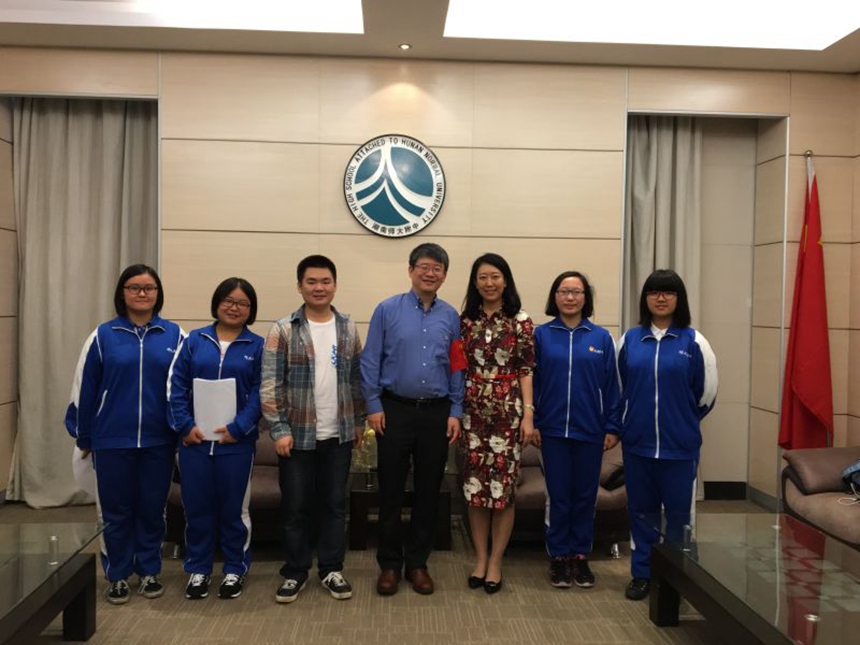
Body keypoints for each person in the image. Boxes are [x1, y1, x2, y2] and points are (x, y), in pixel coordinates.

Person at [65, 264, 184, 604]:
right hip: (111, 440)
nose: (142, 293)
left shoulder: (176, 336)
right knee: (115, 512)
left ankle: (149, 571)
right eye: (134, 287)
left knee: (152, 509)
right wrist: (84, 436)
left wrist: (180, 431)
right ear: (122, 293)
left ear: (158, 293)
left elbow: (183, 389)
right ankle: (117, 574)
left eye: (149, 288)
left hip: (159, 441)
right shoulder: (102, 336)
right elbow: (84, 389)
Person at [361, 242, 465, 596]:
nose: (430, 273)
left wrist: (455, 410)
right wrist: (373, 404)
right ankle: (390, 565)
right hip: (394, 411)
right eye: (424, 266)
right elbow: (370, 360)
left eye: (437, 268)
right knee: (390, 490)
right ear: (410, 270)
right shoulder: (386, 310)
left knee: (428, 491)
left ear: (444, 275)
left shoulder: (451, 316)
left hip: (436, 413)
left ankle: (418, 563)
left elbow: (457, 366)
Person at [260, 255, 365, 604]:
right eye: (311, 282)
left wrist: (358, 423)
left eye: (325, 281)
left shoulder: (347, 327)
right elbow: (270, 385)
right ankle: (295, 571)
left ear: (335, 285)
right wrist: (279, 430)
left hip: (339, 435)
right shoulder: (283, 329)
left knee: (334, 505)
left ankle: (331, 568)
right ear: (300, 286)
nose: (319, 288)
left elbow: (356, 380)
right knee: (296, 507)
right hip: (297, 436)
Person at [617, 269, 717, 601]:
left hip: (679, 448)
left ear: (679, 299)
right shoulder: (630, 341)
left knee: (680, 518)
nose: (661, 298)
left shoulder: (695, 342)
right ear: (645, 298)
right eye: (654, 292)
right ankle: (642, 574)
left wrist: (680, 421)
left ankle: (678, 578)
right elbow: (620, 389)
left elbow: (706, 395)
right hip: (638, 447)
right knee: (641, 514)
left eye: (669, 292)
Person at [167, 277, 263, 600]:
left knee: (235, 510)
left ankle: (235, 568)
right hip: (194, 442)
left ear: (251, 309)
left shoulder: (258, 346)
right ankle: (198, 569)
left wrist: (239, 428)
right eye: (228, 301)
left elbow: (261, 393)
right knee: (197, 509)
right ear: (217, 303)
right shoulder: (194, 340)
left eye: (242, 303)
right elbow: (176, 386)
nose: (235, 308)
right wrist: (184, 426)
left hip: (236, 444)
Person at [532, 271, 621, 589]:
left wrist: (612, 426)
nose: (570, 297)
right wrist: (534, 422)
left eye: (576, 292)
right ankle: (558, 556)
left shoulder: (601, 338)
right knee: (558, 497)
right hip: (552, 431)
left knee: (585, 496)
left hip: (590, 431)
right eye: (564, 291)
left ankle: (580, 556)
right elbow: (533, 384)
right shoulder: (541, 336)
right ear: (554, 297)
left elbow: (612, 387)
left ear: (586, 297)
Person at [460, 253, 534, 595]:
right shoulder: (465, 321)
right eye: (483, 277)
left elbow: (525, 370)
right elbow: (457, 367)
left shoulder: (521, 321)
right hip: (472, 413)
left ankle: (496, 561)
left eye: (495, 276)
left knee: (503, 493)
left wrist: (528, 414)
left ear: (506, 281)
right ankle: (479, 558)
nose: (489, 283)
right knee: (476, 491)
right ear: (475, 283)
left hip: (508, 412)